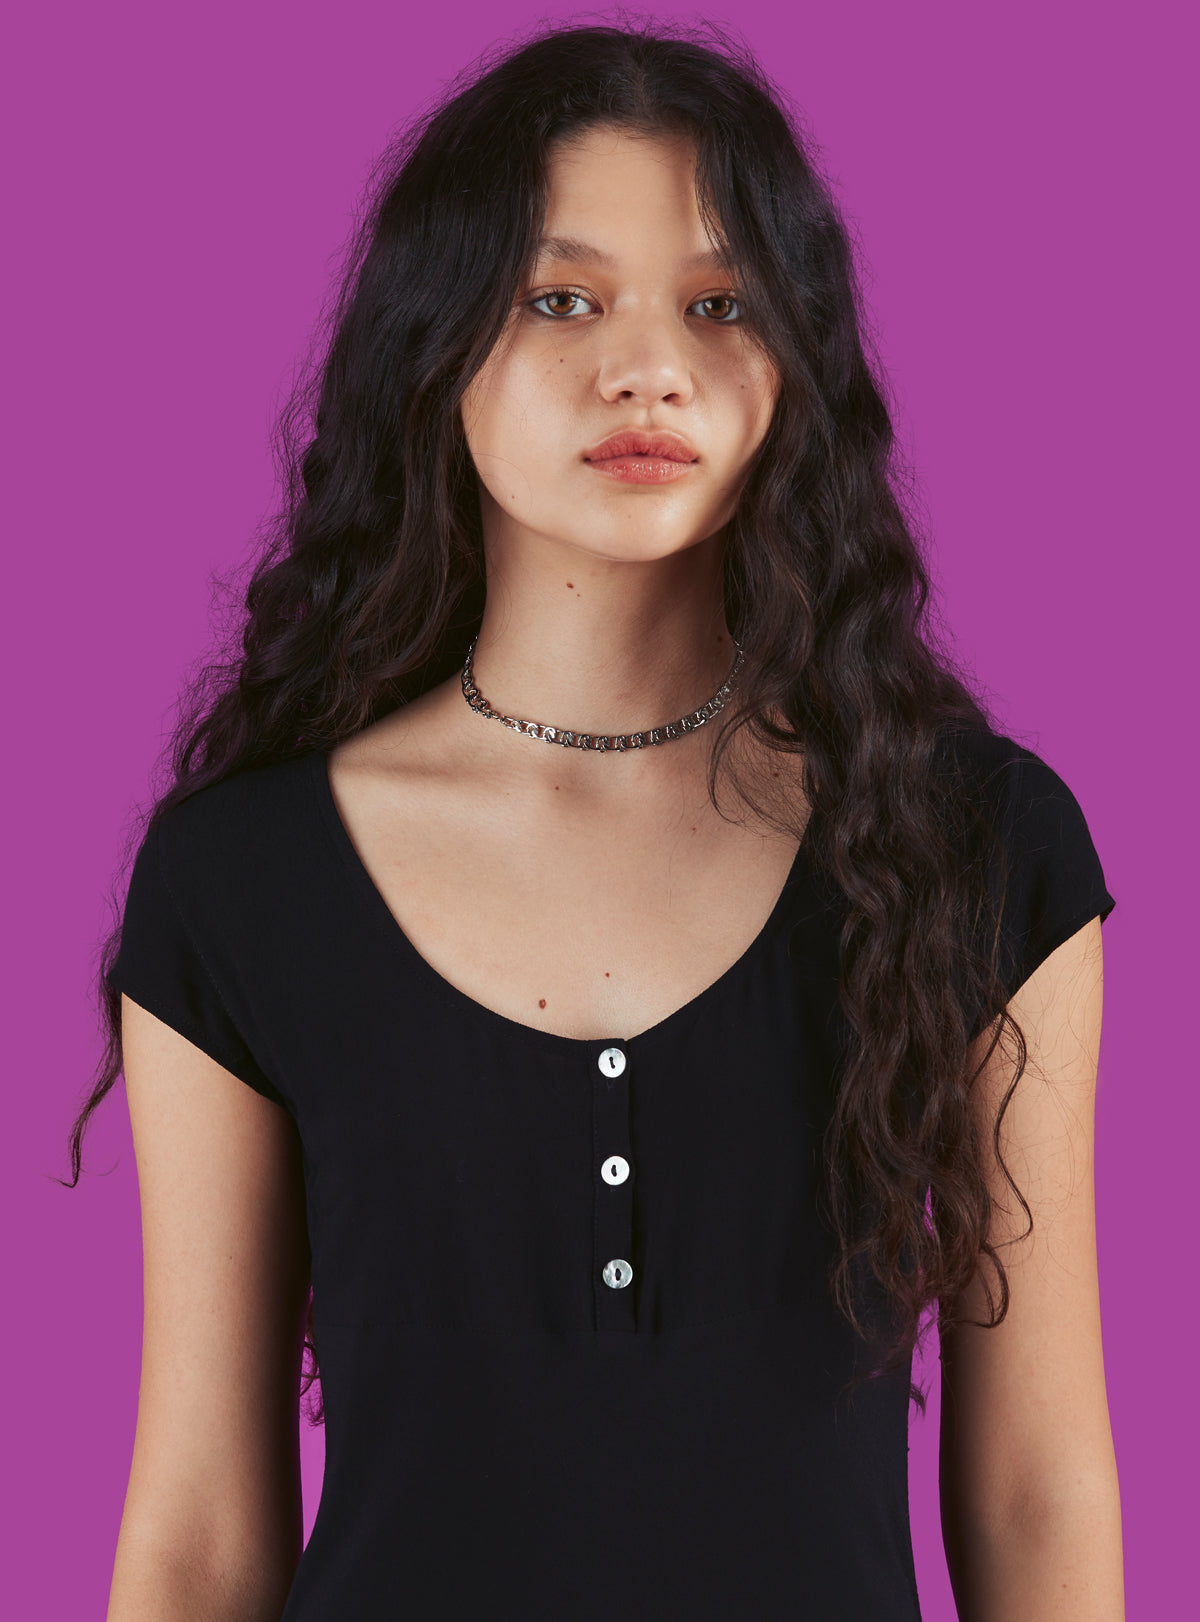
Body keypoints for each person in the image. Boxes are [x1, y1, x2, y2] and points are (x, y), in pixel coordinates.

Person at [67, 19, 1124, 1621]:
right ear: (432, 347)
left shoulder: (980, 843)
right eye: (562, 299)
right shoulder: (240, 882)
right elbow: (203, 1529)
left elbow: (1038, 1493)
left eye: (721, 304)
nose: (650, 367)